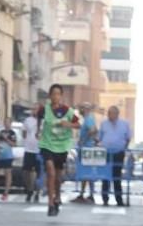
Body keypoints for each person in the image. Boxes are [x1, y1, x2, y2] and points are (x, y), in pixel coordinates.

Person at [36, 84, 80, 216]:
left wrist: (68, 124)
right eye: (53, 94)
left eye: (58, 94)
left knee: (58, 175)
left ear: (61, 96)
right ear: (50, 96)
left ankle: (57, 196)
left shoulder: (67, 110)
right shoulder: (44, 109)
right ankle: (50, 203)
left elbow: (78, 124)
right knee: (50, 172)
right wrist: (38, 131)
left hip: (61, 146)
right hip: (47, 144)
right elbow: (39, 119)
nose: (55, 96)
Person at [98, 106, 131, 206]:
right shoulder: (104, 123)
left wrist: (123, 148)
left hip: (118, 153)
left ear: (117, 114)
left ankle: (119, 200)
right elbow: (100, 137)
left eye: (111, 113)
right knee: (105, 176)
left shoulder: (124, 124)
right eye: (108, 113)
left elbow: (128, 138)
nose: (109, 115)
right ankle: (105, 198)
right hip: (106, 153)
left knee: (117, 177)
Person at [74, 103, 98, 204]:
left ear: (86, 109)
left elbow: (93, 130)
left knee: (87, 172)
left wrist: (83, 140)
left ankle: (89, 194)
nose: (80, 109)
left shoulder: (88, 119)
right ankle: (83, 194)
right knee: (85, 172)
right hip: (86, 149)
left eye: (81, 108)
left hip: (86, 149)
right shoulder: (87, 119)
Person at [0, 120, 16, 201]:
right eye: (5, 122)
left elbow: (13, 144)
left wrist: (6, 139)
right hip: (0, 156)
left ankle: (6, 193)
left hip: (8, 157)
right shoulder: (1, 132)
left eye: (8, 122)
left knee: (7, 175)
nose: (6, 124)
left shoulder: (12, 133)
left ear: (10, 124)